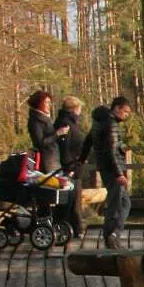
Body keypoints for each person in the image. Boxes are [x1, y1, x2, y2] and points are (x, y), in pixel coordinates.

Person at [81, 95, 134, 249]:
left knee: (121, 202)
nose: (126, 116)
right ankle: (112, 235)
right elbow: (111, 151)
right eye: (125, 112)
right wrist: (119, 174)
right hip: (112, 169)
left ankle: (112, 235)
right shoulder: (111, 124)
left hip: (105, 167)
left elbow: (89, 140)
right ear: (116, 108)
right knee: (117, 204)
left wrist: (81, 158)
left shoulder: (99, 122)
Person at [53, 97, 88, 238]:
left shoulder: (71, 122)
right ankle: (73, 228)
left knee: (74, 200)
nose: (80, 111)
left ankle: (73, 228)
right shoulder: (65, 123)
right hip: (70, 167)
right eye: (79, 108)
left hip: (76, 165)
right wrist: (70, 167)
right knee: (71, 200)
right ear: (74, 108)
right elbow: (65, 148)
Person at [26, 89, 59, 174]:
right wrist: (58, 134)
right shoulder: (35, 121)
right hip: (46, 161)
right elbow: (40, 142)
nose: (49, 105)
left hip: (53, 159)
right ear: (39, 103)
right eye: (47, 102)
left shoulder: (44, 118)